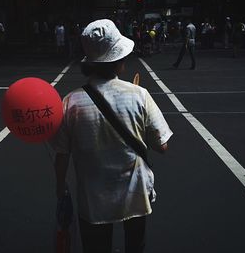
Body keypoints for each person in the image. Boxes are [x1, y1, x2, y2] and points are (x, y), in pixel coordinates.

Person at [49, 19, 173, 253]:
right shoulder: (140, 95)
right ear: (118, 60)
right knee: (135, 246)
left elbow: (62, 155)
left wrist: (60, 189)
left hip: (93, 197)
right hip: (135, 192)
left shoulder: (70, 102)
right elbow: (162, 146)